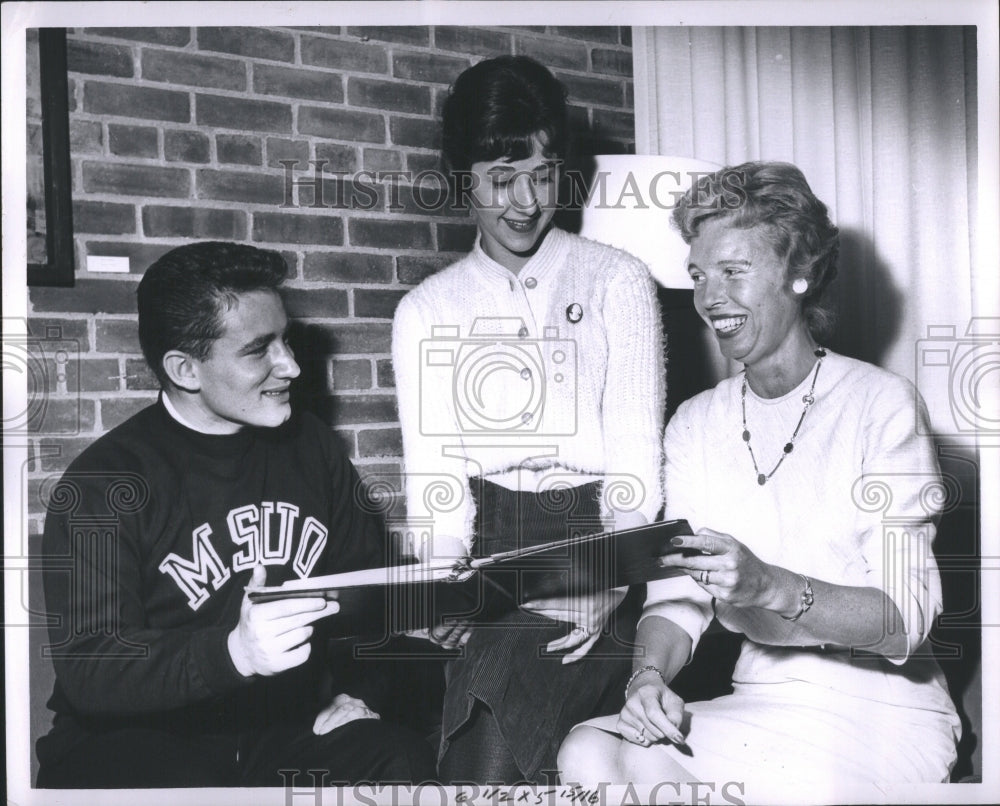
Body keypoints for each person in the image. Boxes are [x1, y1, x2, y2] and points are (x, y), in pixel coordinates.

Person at [557, 162, 962, 795]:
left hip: (884, 718)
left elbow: (903, 619)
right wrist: (647, 680)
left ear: (799, 274)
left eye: (734, 271)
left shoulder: (881, 404)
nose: (709, 296)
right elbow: (678, 600)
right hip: (759, 707)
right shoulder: (695, 424)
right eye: (699, 274)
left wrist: (768, 585)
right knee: (590, 750)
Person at [36, 241, 437, 788]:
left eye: (287, 340)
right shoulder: (101, 482)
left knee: (395, 759)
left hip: (278, 726)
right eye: (258, 350)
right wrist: (234, 652)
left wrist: (357, 695)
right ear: (185, 369)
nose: (290, 365)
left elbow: (369, 598)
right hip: (138, 742)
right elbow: (91, 666)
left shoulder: (313, 448)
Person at [391, 56, 666, 784]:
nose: (523, 202)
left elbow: (637, 472)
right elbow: (437, 491)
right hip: (490, 559)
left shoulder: (617, 281)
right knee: (486, 705)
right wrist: (436, 587)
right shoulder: (425, 311)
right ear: (462, 179)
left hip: (600, 546)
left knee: (491, 740)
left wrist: (607, 582)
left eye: (542, 176)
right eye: (498, 178)